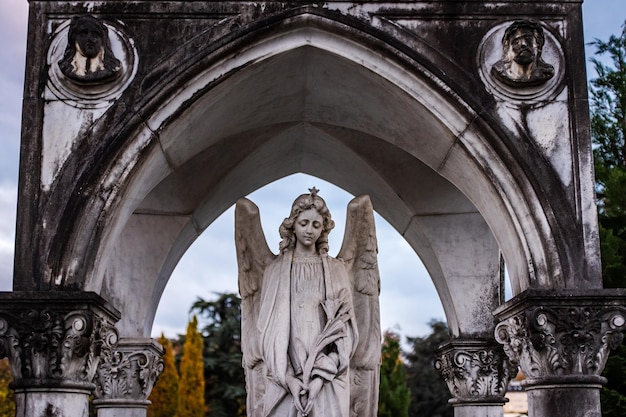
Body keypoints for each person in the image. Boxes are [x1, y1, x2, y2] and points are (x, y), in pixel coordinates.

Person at [256, 188, 359, 417]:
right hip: (285, 382)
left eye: (316, 224)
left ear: (324, 228)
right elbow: (267, 334)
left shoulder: (336, 270)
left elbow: (346, 333)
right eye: (304, 223)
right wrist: (289, 379)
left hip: (326, 381)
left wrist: (319, 379)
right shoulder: (274, 271)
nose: (309, 230)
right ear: (293, 224)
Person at [59, 15, 121, 83]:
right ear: (74, 38)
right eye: (84, 33)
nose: (90, 39)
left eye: (95, 34)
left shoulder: (112, 68)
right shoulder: (66, 68)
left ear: (102, 40)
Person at [491, 20, 554, 87]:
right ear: (507, 48)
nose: (523, 44)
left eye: (528, 39)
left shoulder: (546, 73)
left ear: (538, 45)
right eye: (516, 42)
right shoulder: (499, 71)